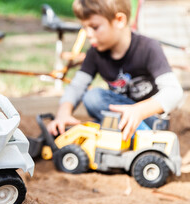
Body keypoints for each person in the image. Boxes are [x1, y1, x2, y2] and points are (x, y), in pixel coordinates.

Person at [47, 0, 183, 141]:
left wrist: (139, 110)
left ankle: (146, 139)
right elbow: (77, 86)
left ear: (119, 20)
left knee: (94, 98)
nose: (88, 34)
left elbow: (174, 92)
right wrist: (63, 113)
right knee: (87, 125)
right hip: (119, 118)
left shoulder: (148, 48)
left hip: (150, 120)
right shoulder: (95, 53)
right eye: (84, 27)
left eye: (94, 27)